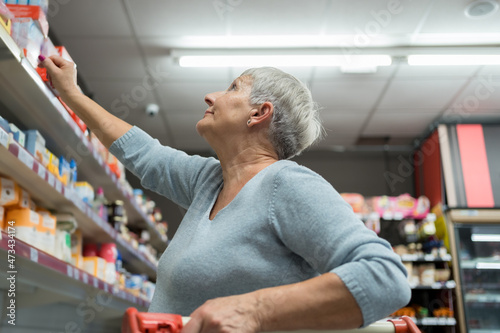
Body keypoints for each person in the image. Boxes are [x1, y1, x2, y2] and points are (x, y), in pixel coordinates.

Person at [39, 55, 411, 333]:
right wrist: (71, 93)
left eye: (233, 87)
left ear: (259, 113)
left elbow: (384, 277)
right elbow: (147, 156)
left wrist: (254, 310)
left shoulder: (288, 186)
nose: (211, 95)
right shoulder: (209, 181)